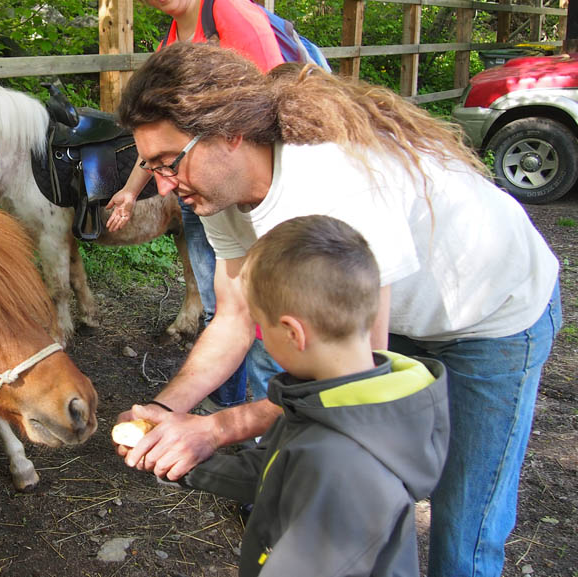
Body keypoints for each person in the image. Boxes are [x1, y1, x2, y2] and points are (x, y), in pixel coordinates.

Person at [114, 42, 561, 577]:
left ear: (228, 134)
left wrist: (214, 430)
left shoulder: (330, 184)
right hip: (387, 321)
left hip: (488, 318)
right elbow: (233, 317)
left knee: (463, 530)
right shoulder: (217, 192)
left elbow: (353, 388)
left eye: (169, 163)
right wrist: (164, 412)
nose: (162, 186)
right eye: (152, 167)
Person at [170, 214, 450, 577]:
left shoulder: (345, 464)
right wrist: (185, 465)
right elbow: (274, 469)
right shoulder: (335, 405)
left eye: (259, 325)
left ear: (292, 333)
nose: (259, 336)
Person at [105, 0, 285, 410]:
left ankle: (256, 421)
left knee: (272, 314)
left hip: (252, 191)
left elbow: (276, 102)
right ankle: (224, 404)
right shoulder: (174, 37)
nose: (162, 188)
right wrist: (134, 189)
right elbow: (161, 140)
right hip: (212, 187)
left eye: (165, 168)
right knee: (220, 305)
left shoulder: (232, 14)